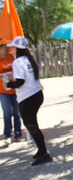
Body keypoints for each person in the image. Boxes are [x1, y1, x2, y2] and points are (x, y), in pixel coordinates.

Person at [5, 36, 52, 166]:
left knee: (32, 126)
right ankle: (41, 150)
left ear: (17, 48)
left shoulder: (18, 62)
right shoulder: (30, 60)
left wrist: (9, 84)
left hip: (27, 97)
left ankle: (44, 153)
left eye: (13, 47)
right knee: (33, 125)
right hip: (37, 94)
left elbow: (20, 82)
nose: (11, 50)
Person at [0, 38, 23, 146]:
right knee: (7, 112)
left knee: (17, 112)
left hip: (15, 89)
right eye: (4, 46)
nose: (7, 48)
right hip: (3, 91)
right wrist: (3, 75)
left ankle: (18, 134)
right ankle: (8, 135)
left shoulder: (11, 57)